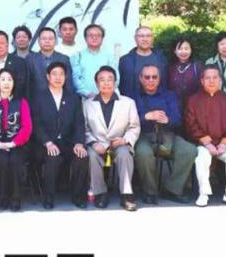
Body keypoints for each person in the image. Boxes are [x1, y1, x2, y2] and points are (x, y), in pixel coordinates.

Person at [184, 65, 226, 208]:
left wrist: (225, 143)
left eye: (215, 77)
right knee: (202, 158)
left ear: (220, 80)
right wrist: (207, 143)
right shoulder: (193, 100)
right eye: (208, 78)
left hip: (225, 144)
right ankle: (203, 193)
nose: (211, 81)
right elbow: (191, 124)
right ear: (202, 81)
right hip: (203, 144)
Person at [134, 64, 197, 204]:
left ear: (159, 79)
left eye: (154, 77)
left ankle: (172, 189)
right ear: (140, 78)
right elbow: (127, 120)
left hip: (167, 135)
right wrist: (145, 117)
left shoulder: (169, 95)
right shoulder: (133, 97)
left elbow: (177, 119)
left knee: (189, 150)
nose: (151, 80)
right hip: (143, 135)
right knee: (143, 153)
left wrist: (168, 120)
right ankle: (150, 191)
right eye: (147, 77)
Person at [30, 61, 88, 209]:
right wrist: (47, 142)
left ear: (66, 77)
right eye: (54, 74)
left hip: (68, 142)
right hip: (45, 143)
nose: (58, 77)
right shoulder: (38, 97)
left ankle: (78, 197)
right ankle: (48, 197)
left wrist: (79, 143)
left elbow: (79, 123)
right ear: (48, 76)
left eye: (61, 74)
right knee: (52, 157)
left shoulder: (73, 98)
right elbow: (36, 124)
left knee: (81, 157)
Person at [82, 66, 140, 211]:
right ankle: (100, 193)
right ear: (96, 84)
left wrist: (125, 140)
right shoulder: (87, 104)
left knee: (124, 153)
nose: (106, 83)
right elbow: (84, 128)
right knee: (91, 155)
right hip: (98, 145)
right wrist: (93, 143)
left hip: (119, 143)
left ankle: (126, 194)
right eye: (102, 80)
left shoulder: (128, 102)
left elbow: (134, 127)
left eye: (110, 79)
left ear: (115, 82)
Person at [0, 68, 33, 211]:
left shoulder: (21, 102)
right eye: (3, 79)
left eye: (10, 79)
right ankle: (3, 197)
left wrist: (13, 143)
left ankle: (16, 198)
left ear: (14, 83)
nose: (6, 83)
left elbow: (27, 126)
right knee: (2, 160)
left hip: (18, 144)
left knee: (15, 160)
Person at [26, 26, 76, 100]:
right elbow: (27, 85)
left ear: (55, 41)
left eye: (50, 39)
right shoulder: (30, 59)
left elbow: (68, 84)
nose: (47, 41)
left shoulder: (64, 59)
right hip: (36, 101)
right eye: (44, 39)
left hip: (59, 100)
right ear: (38, 41)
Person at [117, 26, 167, 99]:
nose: (145, 39)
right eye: (141, 36)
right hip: (132, 102)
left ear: (153, 38)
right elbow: (122, 86)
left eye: (148, 36)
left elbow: (165, 84)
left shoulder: (161, 59)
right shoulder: (125, 61)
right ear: (135, 38)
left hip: (157, 102)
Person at [73, 24, 116, 98]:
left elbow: (116, 77)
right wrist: (87, 93)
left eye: (98, 35)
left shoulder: (109, 56)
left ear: (102, 38)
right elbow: (75, 78)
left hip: (107, 97)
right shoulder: (77, 56)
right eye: (91, 35)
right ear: (85, 38)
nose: (94, 38)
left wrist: (107, 92)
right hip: (84, 98)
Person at [167, 37, 201, 109]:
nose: (183, 51)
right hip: (174, 106)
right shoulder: (170, 68)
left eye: (186, 48)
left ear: (191, 50)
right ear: (175, 51)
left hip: (194, 106)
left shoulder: (197, 66)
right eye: (180, 49)